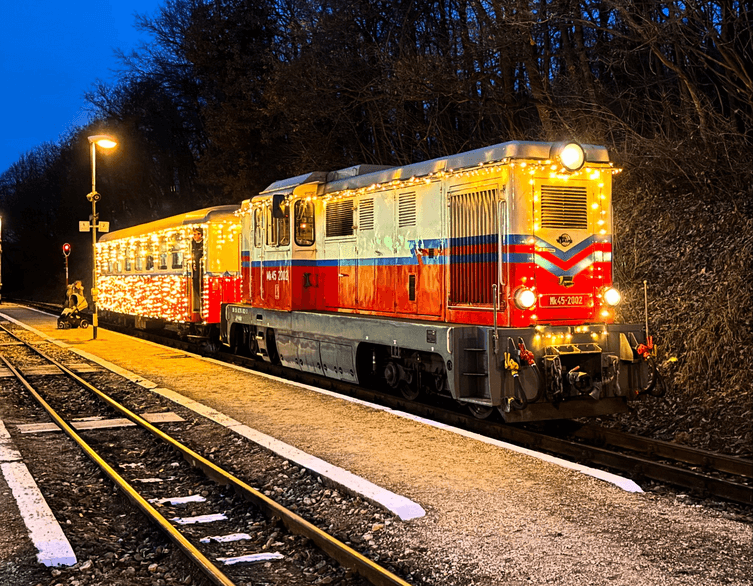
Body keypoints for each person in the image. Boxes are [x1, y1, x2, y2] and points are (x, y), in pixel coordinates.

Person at [191, 227, 204, 312]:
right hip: (195, 268)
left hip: (201, 269)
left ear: (200, 235)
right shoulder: (192, 244)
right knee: (195, 283)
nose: (194, 236)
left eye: (196, 234)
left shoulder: (203, 244)